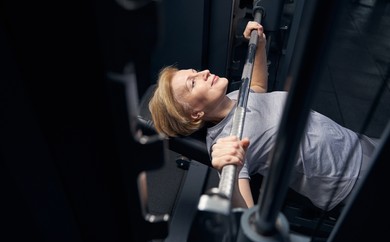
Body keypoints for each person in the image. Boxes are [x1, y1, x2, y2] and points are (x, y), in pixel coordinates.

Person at [148, 21, 378, 210]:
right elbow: (244, 211)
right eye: (193, 82)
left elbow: (257, 86)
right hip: (348, 177)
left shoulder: (236, 96)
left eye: (196, 71)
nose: (204, 72)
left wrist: (259, 46)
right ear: (195, 114)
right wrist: (228, 169)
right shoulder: (228, 141)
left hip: (354, 142)